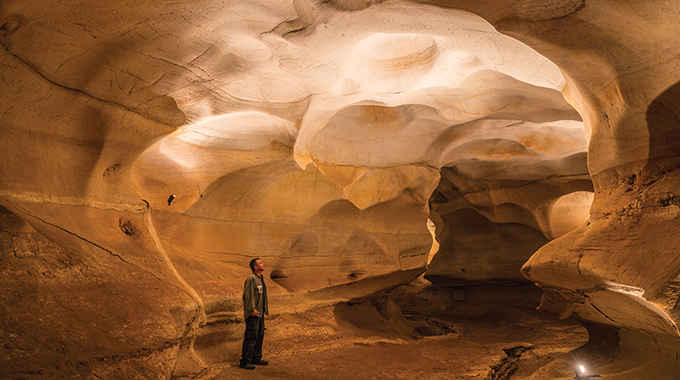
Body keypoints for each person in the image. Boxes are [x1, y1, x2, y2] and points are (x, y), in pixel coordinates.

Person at [239, 258, 269, 370]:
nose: (263, 264)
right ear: (255, 267)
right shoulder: (251, 279)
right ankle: (245, 361)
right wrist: (252, 310)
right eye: (261, 263)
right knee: (251, 337)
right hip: (253, 314)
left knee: (260, 335)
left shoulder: (260, 278)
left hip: (260, 313)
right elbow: (247, 295)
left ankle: (256, 358)